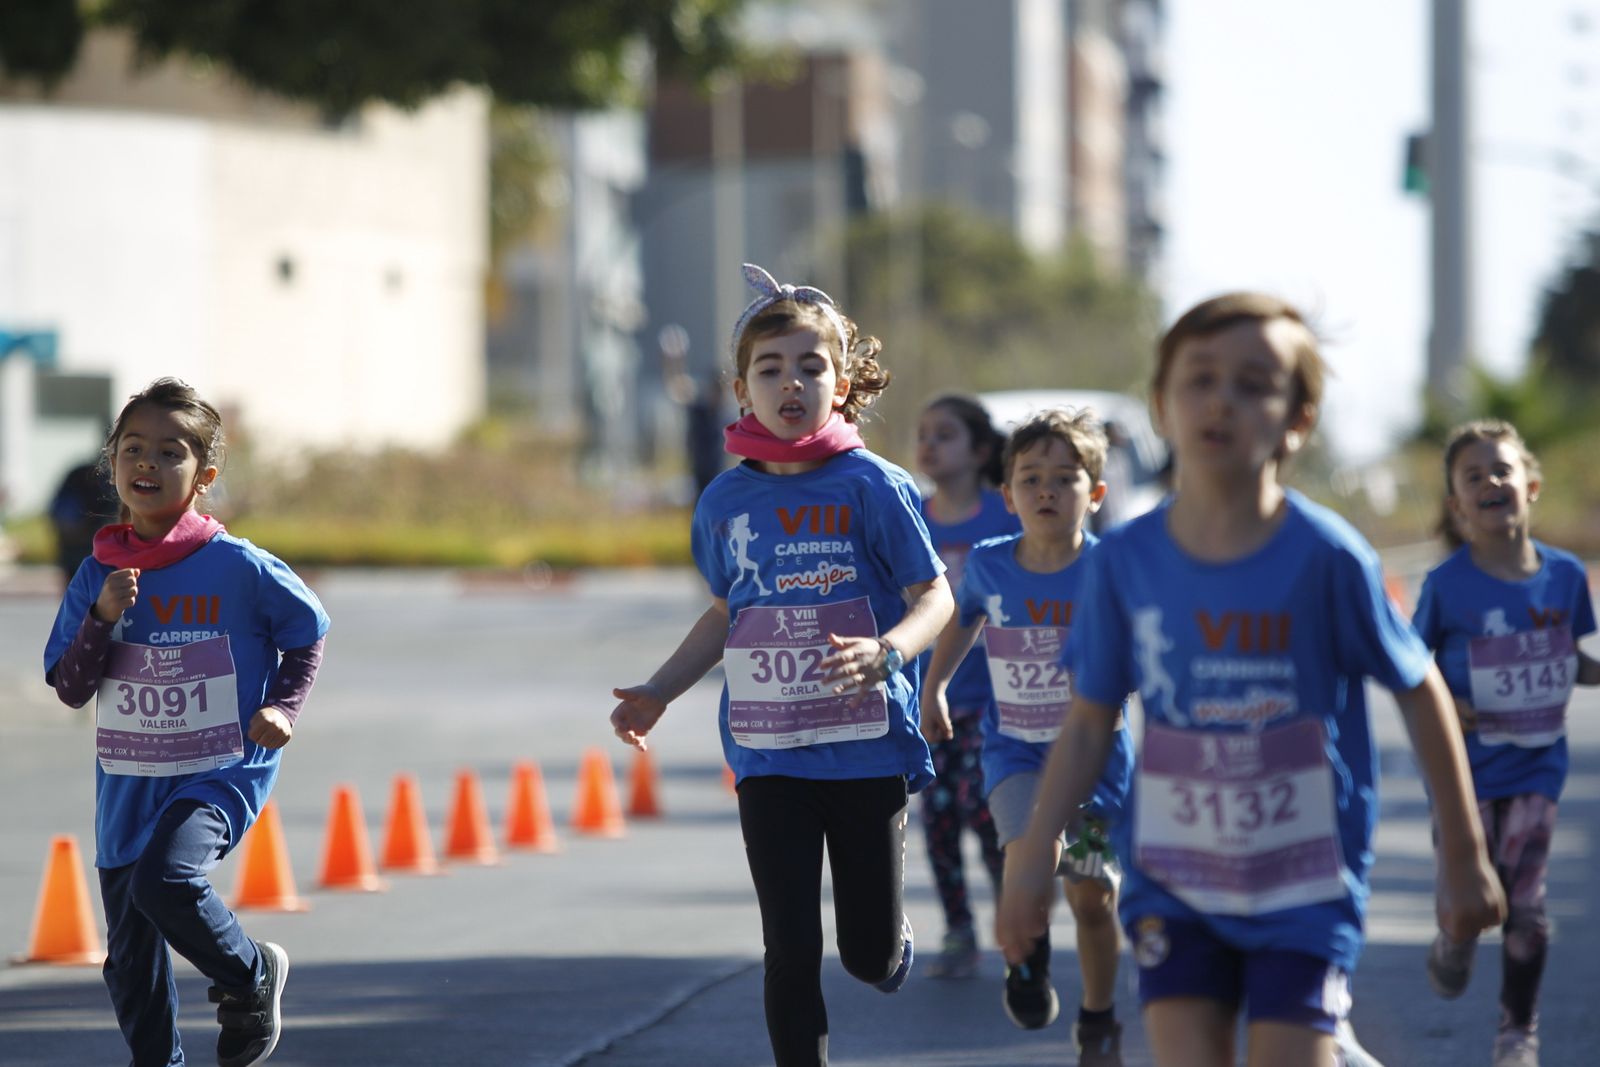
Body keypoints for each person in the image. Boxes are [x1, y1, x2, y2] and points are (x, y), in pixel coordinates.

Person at [995, 293, 1506, 1067]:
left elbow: (1419, 685)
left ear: (1297, 419)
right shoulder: (1125, 561)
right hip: (1175, 874)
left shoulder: (1328, 556)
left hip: (1303, 876)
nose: (1221, 400)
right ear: (1162, 406)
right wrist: (1035, 856)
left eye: (1254, 382)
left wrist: (1464, 855)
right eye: (1200, 378)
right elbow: (1090, 720)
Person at [609, 264, 953, 1067]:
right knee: (789, 946)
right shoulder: (725, 502)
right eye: (770, 369)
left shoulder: (874, 486)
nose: (791, 383)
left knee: (865, 954)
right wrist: (659, 689)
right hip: (770, 754)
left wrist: (891, 649)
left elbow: (935, 595)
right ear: (741, 390)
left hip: (865, 747)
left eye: (811, 366)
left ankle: (887, 940)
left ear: (842, 385)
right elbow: (725, 613)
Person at [42, 378, 330, 1067]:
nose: (148, 462)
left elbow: (308, 631)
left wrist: (282, 706)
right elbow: (70, 688)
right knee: (132, 965)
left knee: (165, 882)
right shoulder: (97, 574)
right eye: (134, 448)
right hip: (130, 780)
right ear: (112, 462)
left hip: (219, 768)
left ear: (204, 476)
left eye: (170, 452)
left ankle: (250, 974)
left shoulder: (239, 565)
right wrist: (101, 618)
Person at [921, 407, 1132, 1065]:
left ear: (1094, 494)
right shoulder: (989, 564)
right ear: (1007, 495)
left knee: (1092, 897)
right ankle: (1027, 961)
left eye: (1065, 478)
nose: (1047, 490)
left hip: (1095, 763)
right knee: (1025, 861)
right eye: (1031, 478)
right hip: (1016, 751)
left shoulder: (1112, 569)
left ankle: (1098, 1016)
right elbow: (962, 620)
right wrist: (934, 686)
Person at [1412, 418, 1600, 1067]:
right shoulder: (1445, 585)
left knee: (1527, 902)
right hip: (1463, 775)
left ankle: (1518, 1033)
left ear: (1531, 485)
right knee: (1472, 902)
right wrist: (1451, 702)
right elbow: (1413, 667)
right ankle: (1455, 935)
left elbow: (1572, 656)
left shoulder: (1566, 577)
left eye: (1502, 470)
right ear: (1457, 504)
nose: (1491, 481)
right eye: (1474, 476)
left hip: (1536, 767)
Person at [912, 394, 1016, 978]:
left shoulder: (1005, 516)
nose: (929, 444)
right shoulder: (912, 517)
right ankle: (958, 930)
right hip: (927, 696)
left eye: (945, 434)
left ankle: (1011, 904)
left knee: (984, 808)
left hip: (995, 698)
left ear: (979, 451)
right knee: (939, 818)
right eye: (924, 434)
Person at [48, 458, 118, 591]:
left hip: (71, 547)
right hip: (93, 548)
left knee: (74, 592)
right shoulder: (112, 480)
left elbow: (55, 510)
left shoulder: (75, 474)